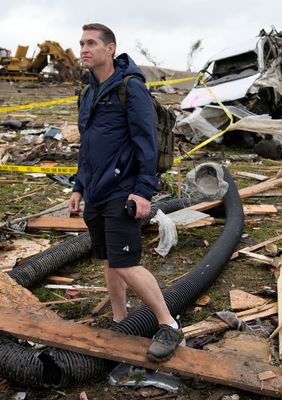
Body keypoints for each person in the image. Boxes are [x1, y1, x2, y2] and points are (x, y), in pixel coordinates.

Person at [68, 23, 183, 362]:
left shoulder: (130, 88)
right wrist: (78, 186)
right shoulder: (88, 92)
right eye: (81, 43)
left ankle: (168, 324)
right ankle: (120, 318)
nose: (84, 48)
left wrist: (143, 191)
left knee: (127, 262)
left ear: (110, 48)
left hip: (123, 189)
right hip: (95, 191)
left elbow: (145, 142)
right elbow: (87, 145)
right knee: (109, 260)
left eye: (91, 43)